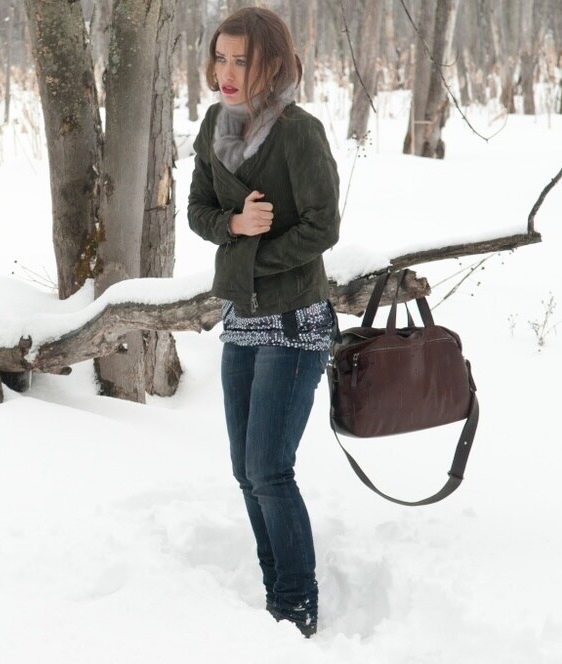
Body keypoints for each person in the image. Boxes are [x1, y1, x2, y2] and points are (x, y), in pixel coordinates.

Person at [187, 7, 340, 638]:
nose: (225, 72)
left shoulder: (300, 133)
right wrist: (232, 227)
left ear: (270, 64)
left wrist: (250, 255)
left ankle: (295, 606)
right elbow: (197, 209)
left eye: (240, 60)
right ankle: (274, 586)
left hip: (296, 323)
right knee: (243, 470)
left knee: (270, 468)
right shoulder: (213, 127)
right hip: (243, 322)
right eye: (219, 58)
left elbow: (323, 227)